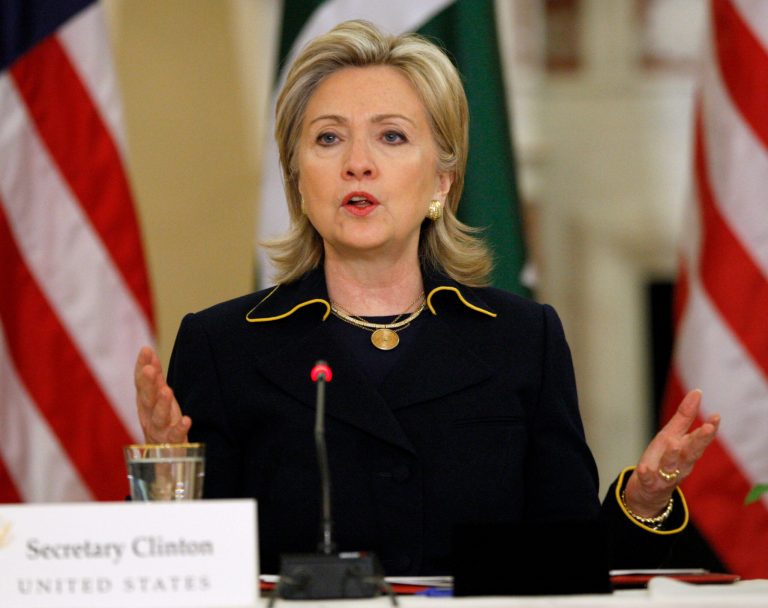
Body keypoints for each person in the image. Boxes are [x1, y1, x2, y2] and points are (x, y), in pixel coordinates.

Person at [134, 20, 719, 576]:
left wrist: (643, 501)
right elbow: (190, 575)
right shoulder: (222, 346)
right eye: (328, 138)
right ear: (297, 179)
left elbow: (564, 564)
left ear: (441, 181)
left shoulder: (520, 339)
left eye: (391, 136)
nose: (357, 164)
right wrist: (168, 482)